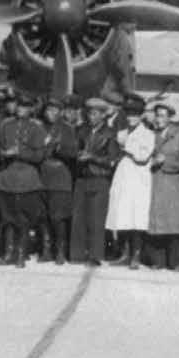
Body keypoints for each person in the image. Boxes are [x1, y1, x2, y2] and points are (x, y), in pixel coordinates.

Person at [0, 92, 46, 267]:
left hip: (26, 179)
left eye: (25, 106)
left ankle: (21, 254)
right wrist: (2, 153)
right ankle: (9, 253)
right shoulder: (5, 125)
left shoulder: (37, 127)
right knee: (7, 218)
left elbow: (39, 155)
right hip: (7, 177)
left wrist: (19, 153)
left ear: (31, 109)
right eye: (19, 105)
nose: (20, 109)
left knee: (23, 219)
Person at [105, 94, 154, 269]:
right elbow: (114, 152)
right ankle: (124, 253)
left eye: (135, 115)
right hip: (123, 175)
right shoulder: (122, 133)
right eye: (129, 114)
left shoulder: (148, 134)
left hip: (139, 178)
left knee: (137, 216)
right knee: (122, 214)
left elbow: (142, 156)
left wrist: (126, 147)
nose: (132, 118)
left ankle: (136, 255)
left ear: (141, 116)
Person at [70, 98, 120, 265]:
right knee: (78, 217)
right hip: (81, 178)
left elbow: (112, 160)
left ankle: (95, 255)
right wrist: (77, 155)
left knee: (96, 219)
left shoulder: (110, 134)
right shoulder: (81, 131)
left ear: (103, 115)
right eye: (89, 113)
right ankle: (77, 254)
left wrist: (92, 157)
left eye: (95, 114)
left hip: (99, 179)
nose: (91, 117)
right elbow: (74, 149)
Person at [148, 102, 179, 270]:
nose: (158, 119)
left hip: (173, 183)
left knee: (174, 223)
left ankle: (175, 261)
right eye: (156, 115)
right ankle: (158, 260)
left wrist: (166, 161)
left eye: (162, 116)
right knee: (158, 222)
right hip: (156, 182)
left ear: (170, 118)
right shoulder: (152, 134)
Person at [38, 96, 77, 265]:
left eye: (55, 110)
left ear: (61, 112)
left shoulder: (67, 129)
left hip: (60, 177)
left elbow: (73, 152)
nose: (51, 113)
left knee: (58, 217)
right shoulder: (39, 127)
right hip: (42, 176)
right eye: (48, 110)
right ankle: (46, 249)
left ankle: (60, 250)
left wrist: (58, 147)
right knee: (43, 216)